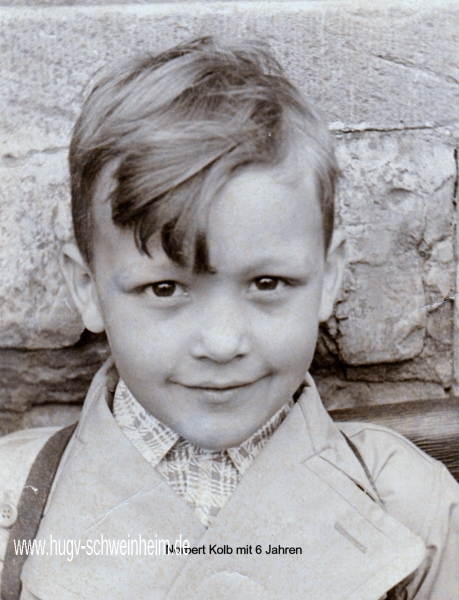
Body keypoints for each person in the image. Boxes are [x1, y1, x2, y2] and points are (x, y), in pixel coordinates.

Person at [0, 37, 457, 600]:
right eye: (165, 288)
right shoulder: (14, 508)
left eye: (267, 284)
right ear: (86, 288)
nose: (221, 343)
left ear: (329, 276)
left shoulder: (414, 510)